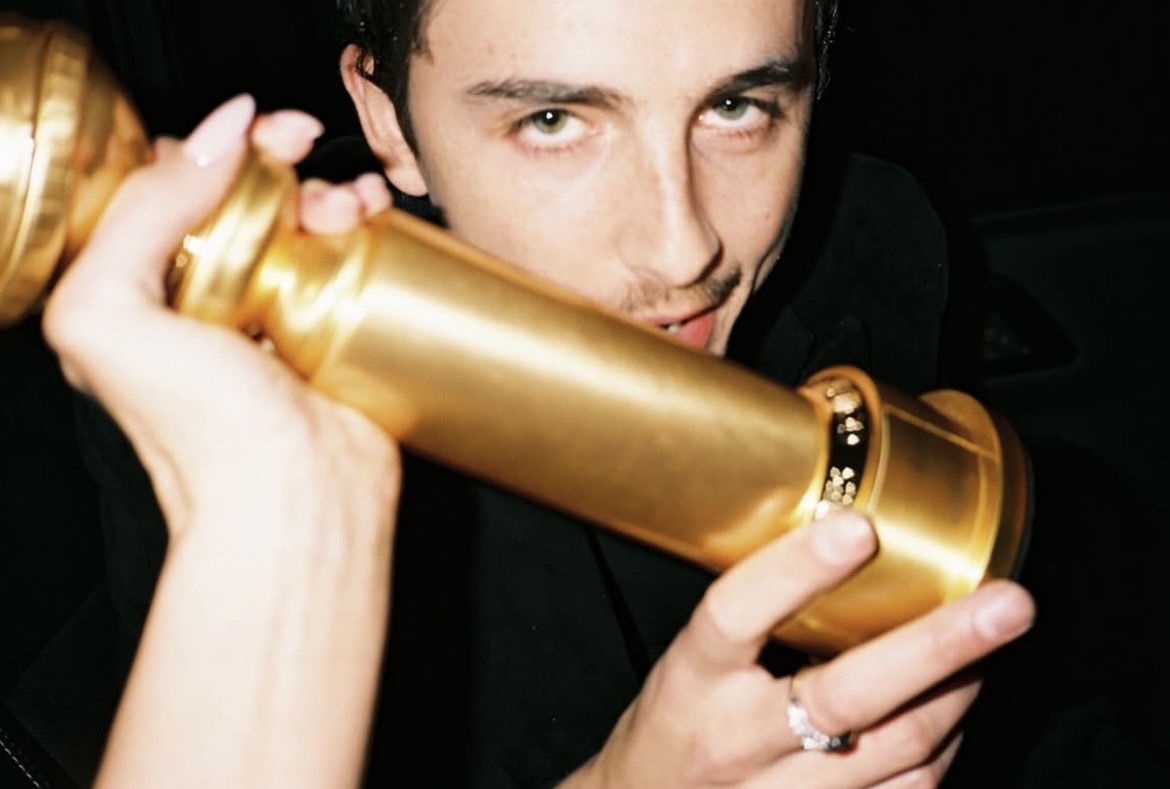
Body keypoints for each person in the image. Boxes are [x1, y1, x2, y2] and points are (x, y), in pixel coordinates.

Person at [39, 0, 1037, 786]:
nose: (682, 247)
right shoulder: (221, 414)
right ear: (387, 123)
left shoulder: (876, 239)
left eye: (736, 108)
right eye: (552, 121)